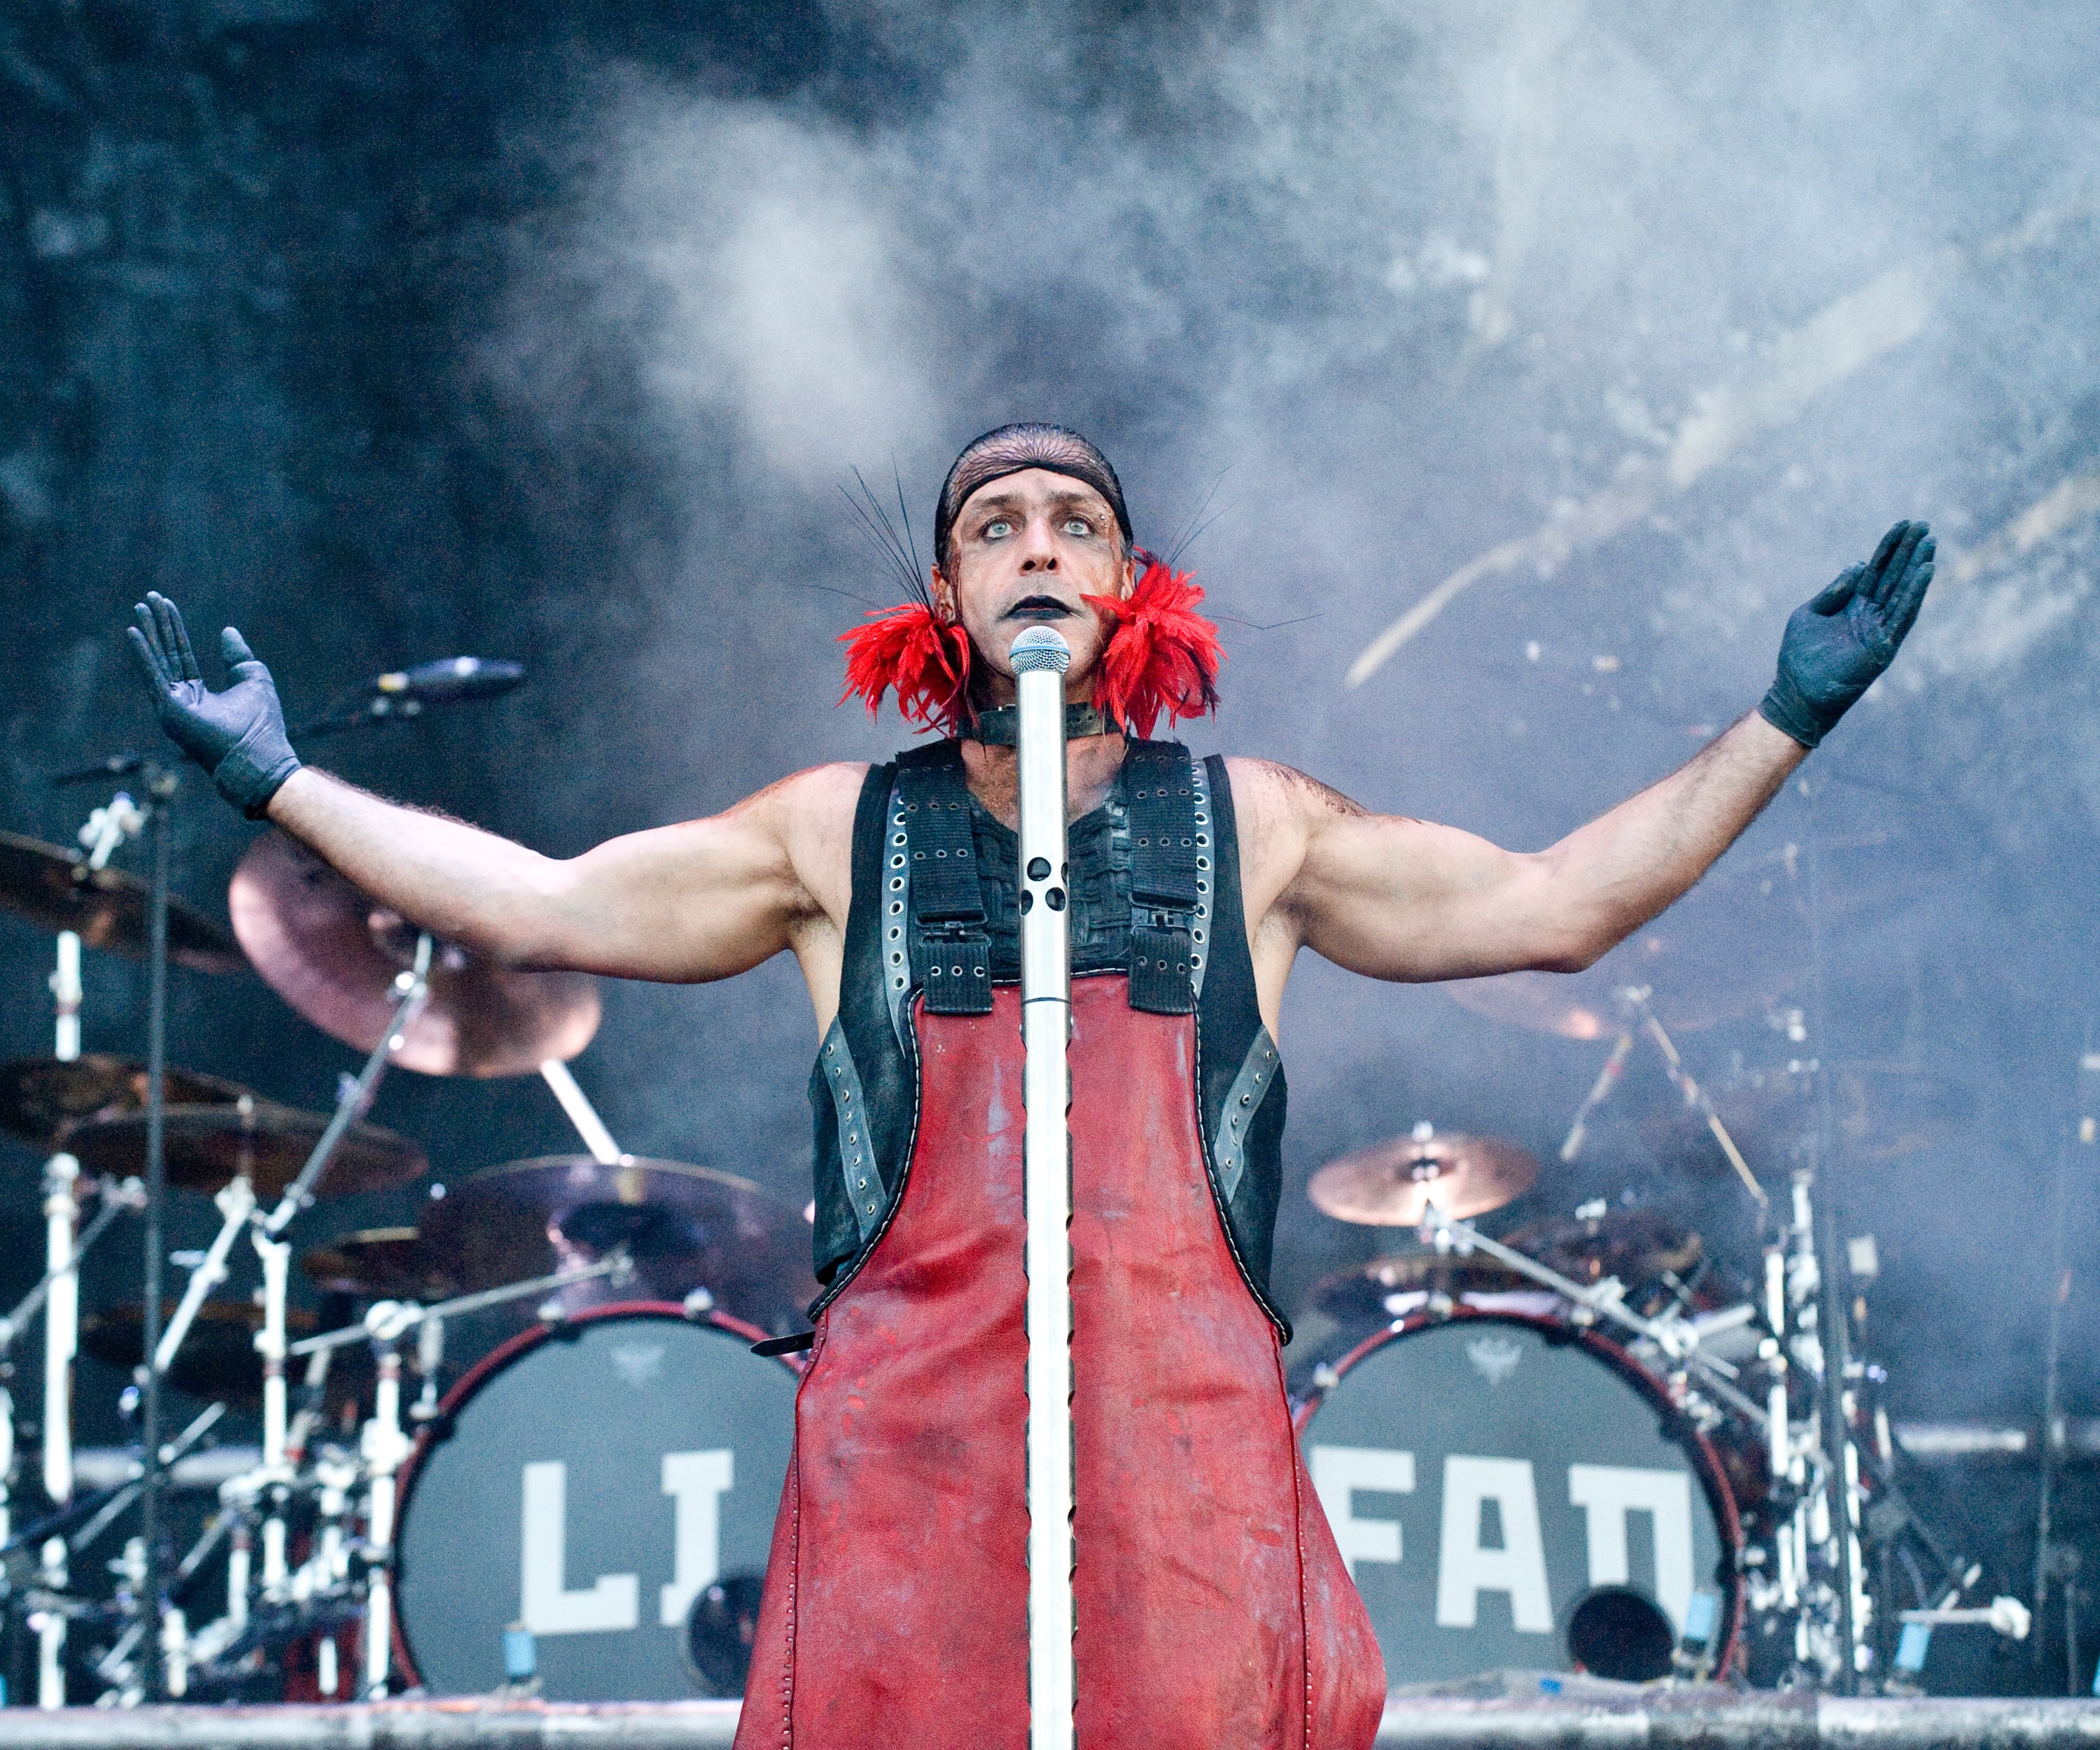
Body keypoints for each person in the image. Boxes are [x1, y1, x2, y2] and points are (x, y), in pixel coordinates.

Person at [125, 424, 1934, 1749]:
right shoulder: (835, 837)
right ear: (948, 593)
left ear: (1130, 585)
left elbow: (1558, 907)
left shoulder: (1267, 829)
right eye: (998, 525)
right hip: (910, 1476)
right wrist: (284, 784)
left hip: (1186, 1482)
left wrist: (1785, 713)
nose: (1039, 545)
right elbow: (534, 903)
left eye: (1077, 520)